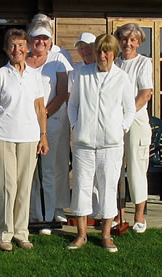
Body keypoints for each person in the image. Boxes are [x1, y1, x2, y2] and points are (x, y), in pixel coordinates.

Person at [67, 34, 136, 252]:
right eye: (99, 51)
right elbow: (73, 105)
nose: (102, 55)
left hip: (111, 145)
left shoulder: (122, 78)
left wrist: (121, 128)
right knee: (81, 187)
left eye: (106, 51)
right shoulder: (83, 74)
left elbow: (130, 108)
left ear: (114, 53)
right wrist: (75, 126)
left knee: (107, 188)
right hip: (83, 143)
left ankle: (106, 235)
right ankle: (81, 235)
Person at [0, 28, 49, 251]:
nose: (17, 49)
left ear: (27, 47)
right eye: (12, 45)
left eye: (21, 45)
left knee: (24, 187)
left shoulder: (35, 76)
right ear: (6, 49)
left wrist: (43, 136)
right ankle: (4, 233)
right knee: (7, 187)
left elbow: (41, 109)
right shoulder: (0, 75)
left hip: (30, 138)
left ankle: (21, 233)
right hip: (3, 137)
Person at [26, 21, 72, 234]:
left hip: (51, 122)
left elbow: (63, 93)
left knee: (48, 170)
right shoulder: (21, 60)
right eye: (37, 38)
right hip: (25, 124)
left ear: (50, 41)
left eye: (44, 38)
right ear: (29, 40)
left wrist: (44, 113)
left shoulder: (58, 60)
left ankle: (48, 215)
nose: (40, 42)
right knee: (31, 172)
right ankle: (33, 214)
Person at [114, 23, 153, 233]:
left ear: (138, 42)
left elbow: (145, 94)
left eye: (132, 40)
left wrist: (125, 117)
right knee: (114, 169)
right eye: (124, 39)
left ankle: (139, 217)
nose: (127, 43)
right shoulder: (115, 62)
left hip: (135, 122)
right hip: (115, 123)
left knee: (137, 169)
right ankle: (118, 215)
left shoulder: (144, 63)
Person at [68, 32, 99, 218]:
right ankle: (83, 212)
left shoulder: (104, 68)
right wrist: (75, 125)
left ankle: (100, 212)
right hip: (81, 130)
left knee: (101, 174)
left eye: (88, 46)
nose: (84, 50)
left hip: (103, 131)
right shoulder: (75, 71)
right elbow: (72, 102)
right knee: (82, 174)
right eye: (81, 47)